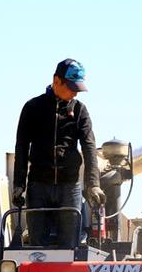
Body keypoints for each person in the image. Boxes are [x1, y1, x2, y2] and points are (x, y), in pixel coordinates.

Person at [12, 58, 106, 248]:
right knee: (38, 245)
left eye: (78, 89)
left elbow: (89, 148)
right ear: (56, 81)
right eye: (71, 87)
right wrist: (19, 184)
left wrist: (93, 185)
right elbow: (21, 147)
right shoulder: (32, 108)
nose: (75, 93)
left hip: (69, 187)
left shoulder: (80, 110)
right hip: (38, 185)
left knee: (70, 246)